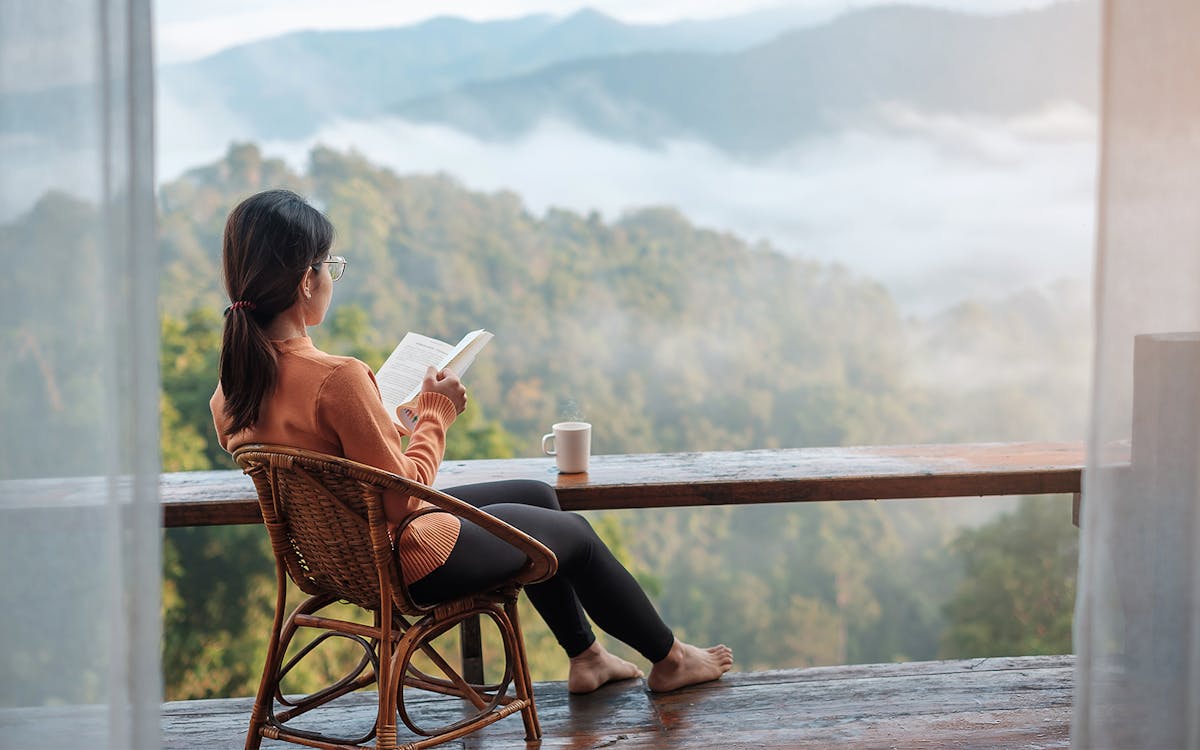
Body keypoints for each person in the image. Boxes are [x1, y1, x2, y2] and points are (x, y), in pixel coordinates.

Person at [210, 189, 733, 694]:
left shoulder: (232, 391)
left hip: (337, 558)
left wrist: (383, 422)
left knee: (535, 496)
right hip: (404, 555)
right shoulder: (337, 379)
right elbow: (404, 498)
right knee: (572, 533)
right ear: (306, 280)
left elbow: (331, 468)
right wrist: (434, 415)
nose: (332, 278)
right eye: (331, 266)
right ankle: (671, 661)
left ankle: (587, 657)